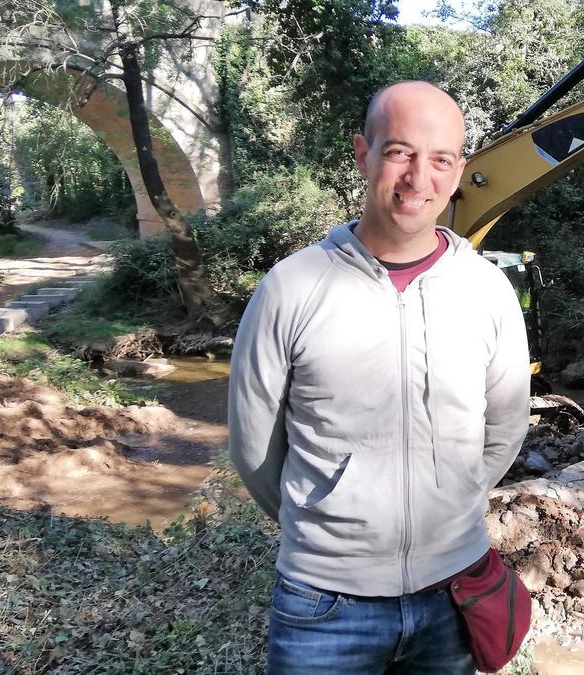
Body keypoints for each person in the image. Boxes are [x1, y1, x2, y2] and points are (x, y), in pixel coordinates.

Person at [227, 81, 530, 673]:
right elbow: (254, 447)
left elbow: (506, 423)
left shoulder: (487, 289)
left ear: (460, 168)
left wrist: (451, 504)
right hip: (323, 605)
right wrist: (329, 523)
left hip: (454, 592)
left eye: (440, 159)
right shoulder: (291, 288)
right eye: (399, 152)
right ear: (363, 154)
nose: (420, 178)